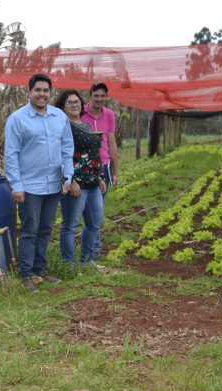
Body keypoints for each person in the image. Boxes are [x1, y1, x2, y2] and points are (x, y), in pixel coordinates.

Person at [4, 73, 74, 293]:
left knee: (45, 229)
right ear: (30, 92)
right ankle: (26, 274)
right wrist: (17, 186)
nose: (42, 94)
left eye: (46, 91)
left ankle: (40, 269)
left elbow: (67, 149)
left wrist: (68, 177)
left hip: (53, 185)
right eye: (38, 90)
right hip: (29, 187)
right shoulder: (17, 119)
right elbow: (11, 154)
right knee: (28, 230)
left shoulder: (59, 117)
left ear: (50, 93)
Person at [54, 90, 107, 265]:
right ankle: (68, 263)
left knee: (94, 223)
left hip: (92, 183)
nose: (74, 105)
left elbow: (92, 153)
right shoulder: (62, 127)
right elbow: (61, 155)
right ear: (62, 107)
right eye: (69, 102)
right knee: (70, 225)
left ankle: (86, 260)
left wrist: (99, 177)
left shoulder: (85, 124)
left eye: (77, 101)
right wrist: (71, 180)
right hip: (76, 184)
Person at [81, 82, 119, 259]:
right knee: (87, 212)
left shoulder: (109, 115)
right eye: (96, 95)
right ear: (91, 95)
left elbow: (111, 142)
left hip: (103, 166)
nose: (99, 99)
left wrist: (115, 170)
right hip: (85, 166)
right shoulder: (81, 112)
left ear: (106, 97)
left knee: (98, 211)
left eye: (102, 96)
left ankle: (94, 250)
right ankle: (90, 250)